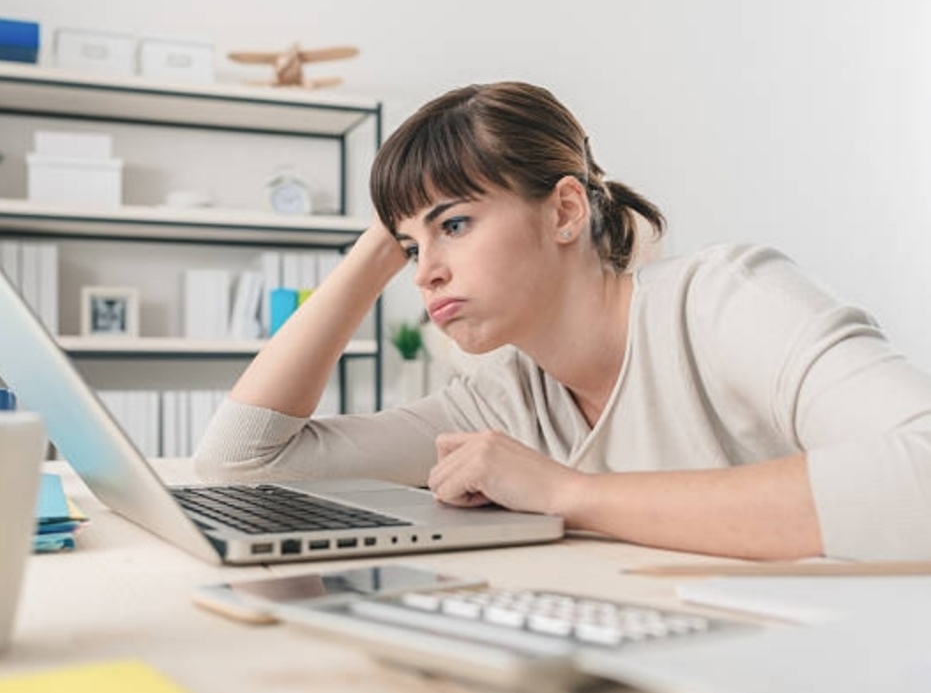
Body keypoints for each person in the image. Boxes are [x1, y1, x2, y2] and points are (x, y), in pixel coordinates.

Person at [195, 81, 931, 561]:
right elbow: (243, 464)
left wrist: (565, 492)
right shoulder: (499, 401)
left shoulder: (724, 301)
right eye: (409, 247)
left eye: (453, 225)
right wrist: (372, 250)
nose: (423, 272)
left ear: (565, 211)